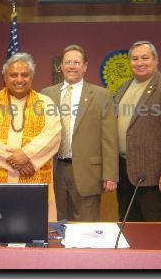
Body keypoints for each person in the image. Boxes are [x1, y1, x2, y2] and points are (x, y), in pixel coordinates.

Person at [0, 53, 61, 221]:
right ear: (5, 77)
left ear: (32, 76)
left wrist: (27, 154)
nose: (19, 79)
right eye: (13, 75)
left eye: (25, 74)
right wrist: (19, 162)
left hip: (34, 177)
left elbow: (53, 136)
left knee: (34, 231)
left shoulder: (46, 103)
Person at [115, 41, 161, 222]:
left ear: (156, 60)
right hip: (125, 174)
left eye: (145, 58)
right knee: (130, 232)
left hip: (156, 178)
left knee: (156, 235)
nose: (139, 62)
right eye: (134, 58)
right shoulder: (124, 87)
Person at [42, 45, 118, 222]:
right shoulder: (47, 94)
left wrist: (110, 174)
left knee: (87, 227)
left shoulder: (102, 95)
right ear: (61, 66)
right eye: (67, 62)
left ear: (85, 66)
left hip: (88, 172)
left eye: (76, 62)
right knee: (56, 224)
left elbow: (109, 138)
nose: (71, 66)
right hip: (55, 170)